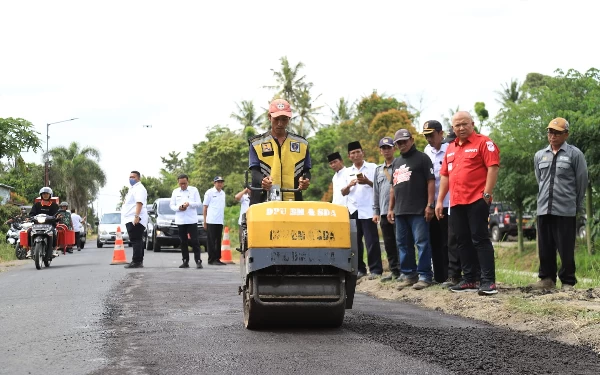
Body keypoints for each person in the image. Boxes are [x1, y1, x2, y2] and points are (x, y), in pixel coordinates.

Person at [436, 111, 500, 295]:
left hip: (477, 200)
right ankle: (469, 279)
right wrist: (440, 200)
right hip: (456, 202)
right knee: (461, 241)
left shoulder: (483, 143)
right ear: (453, 127)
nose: (461, 128)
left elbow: (493, 167)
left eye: (465, 124)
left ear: (472, 124)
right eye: (457, 125)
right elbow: (445, 175)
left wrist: (487, 194)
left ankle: (488, 281)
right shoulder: (451, 148)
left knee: (480, 239)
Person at [530, 118, 588, 291]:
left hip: (565, 209)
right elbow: (539, 180)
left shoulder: (574, 154)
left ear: (566, 134)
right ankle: (547, 279)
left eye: (556, 132)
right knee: (545, 246)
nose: (552, 136)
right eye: (550, 132)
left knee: (565, 247)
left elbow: (581, 182)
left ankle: (568, 281)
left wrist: (576, 205)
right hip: (544, 208)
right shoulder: (540, 155)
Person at [387, 129, 435, 290]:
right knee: (403, 245)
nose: (402, 144)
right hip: (400, 211)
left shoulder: (423, 158)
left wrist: (430, 205)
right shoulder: (396, 162)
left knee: (421, 243)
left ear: (412, 140)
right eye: (398, 143)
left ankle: (425, 276)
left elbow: (430, 182)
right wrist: (390, 208)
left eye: (404, 141)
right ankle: (409, 275)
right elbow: (393, 187)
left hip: (418, 210)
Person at [248, 98, 311, 204]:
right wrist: (262, 181)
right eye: (276, 119)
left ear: (289, 119)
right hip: (264, 201)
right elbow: (254, 171)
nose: (280, 123)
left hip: (293, 201)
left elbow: (306, 170)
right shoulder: (257, 143)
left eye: (284, 119)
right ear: (269, 117)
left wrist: (305, 180)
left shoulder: (301, 144)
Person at [341, 141, 383, 279]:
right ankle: (360, 269)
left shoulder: (373, 168)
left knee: (372, 241)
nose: (356, 155)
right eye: (352, 153)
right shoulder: (347, 172)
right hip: (354, 209)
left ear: (363, 153)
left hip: (369, 209)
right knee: (356, 242)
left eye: (358, 152)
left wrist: (367, 182)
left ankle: (376, 270)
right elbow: (343, 192)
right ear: (349, 156)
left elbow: (379, 186)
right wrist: (349, 186)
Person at [422, 120, 451, 285]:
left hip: (448, 203)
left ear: (441, 134)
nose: (429, 139)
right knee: (435, 241)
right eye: (426, 136)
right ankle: (439, 276)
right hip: (432, 204)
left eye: (431, 135)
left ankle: (450, 275)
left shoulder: (450, 149)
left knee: (449, 241)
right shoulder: (427, 151)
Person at [372, 137, 401, 282]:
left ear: (393, 148)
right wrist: (376, 212)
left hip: (399, 211)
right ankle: (394, 271)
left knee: (401, 242)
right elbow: (375, 192)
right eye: (383, 148)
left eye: (389, 147)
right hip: (383, 212)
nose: (386, 150)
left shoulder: (400, 165)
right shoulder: (378, 170)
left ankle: (404, 271)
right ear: (380, 151)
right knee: (389, 244)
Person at [170, 174, 203, 269]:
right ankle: (185, 260)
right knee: (183, 241)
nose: (183, 185)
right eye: (181, 184)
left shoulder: (194, 190)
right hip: (180, 220)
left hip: (191, 220)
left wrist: (189, 204)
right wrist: (179, 208)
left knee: (195, 241)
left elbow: (198, 203)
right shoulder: (175, 192)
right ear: (178, 183)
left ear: (188, 182)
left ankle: (198, 260)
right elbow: (172, 205)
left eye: (184, 183)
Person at [122, 171, 148, 269]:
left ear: (138, 178)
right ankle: (139, 260)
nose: (131, 179)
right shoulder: (133, 189)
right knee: (137, 239)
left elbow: (139, 203)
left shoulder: (139, 189)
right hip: (131, 218)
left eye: (133, 177)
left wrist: (136, 216)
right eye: (130, 177)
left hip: (135, 218)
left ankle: (136, 261)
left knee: (135, 240)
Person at [28, 187, 61, 258]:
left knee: (54, 232)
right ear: (41, 195)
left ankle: (54, 249)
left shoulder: (54, 205)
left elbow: (57, 214)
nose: (45, 195)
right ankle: (30, 250)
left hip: (50, 224)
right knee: (29, 231)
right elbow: (31, 214)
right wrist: (30, 217)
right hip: (37, 224)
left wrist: (57, 217)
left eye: (47, 194)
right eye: (43, 194)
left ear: (50, 195)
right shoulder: (37, 205)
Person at [204, 176, 227, 265]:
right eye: (218, 182)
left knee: (218, 240)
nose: (220, 184)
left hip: (219, 220)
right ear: (214, 183)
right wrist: (205, 221)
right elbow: (205, 207)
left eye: (221, 182)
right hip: (211, 220)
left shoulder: (223, 193)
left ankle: (217, 258)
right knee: (211, 241)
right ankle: (211, 259)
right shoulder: (209, 192)